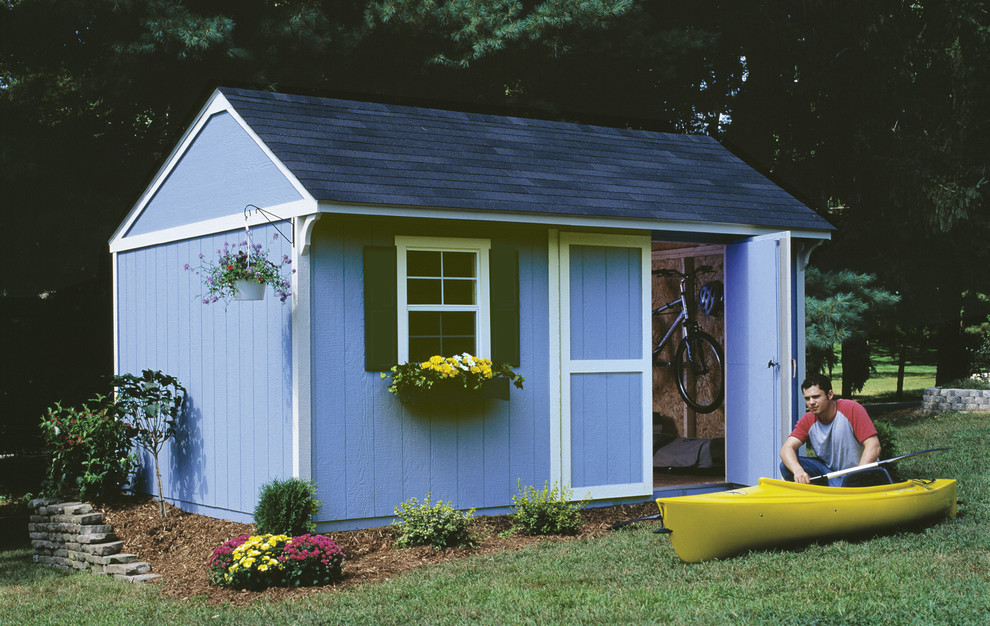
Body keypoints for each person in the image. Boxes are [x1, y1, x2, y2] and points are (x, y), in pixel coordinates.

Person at [779, 374, 882, 487]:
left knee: (841, 485)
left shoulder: (851, 409)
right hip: (830, 473)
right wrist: (798, 471)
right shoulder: (808, 420)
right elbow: (786, 449)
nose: (811, 402)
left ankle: (835, 491)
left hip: (861, 474)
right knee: (785, 467)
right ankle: (823, 491)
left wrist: (855, 477)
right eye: (807, 398)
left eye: (816, 396)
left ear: (830, 394)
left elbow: (874, 446)